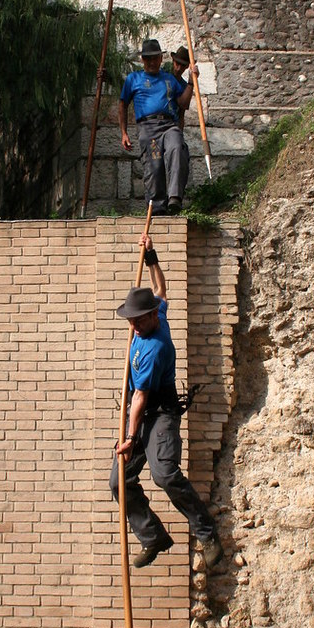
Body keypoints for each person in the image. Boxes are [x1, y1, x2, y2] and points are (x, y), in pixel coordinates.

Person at [109, 233, 224, 569]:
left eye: (137, 320)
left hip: (159, 412)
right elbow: (161, 289)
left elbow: (142, 397)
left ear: (152, 318)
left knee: (164, 474)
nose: (133, 325)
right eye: (130, 320)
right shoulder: (155, 310)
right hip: (138, 408)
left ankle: (206, 533)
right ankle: (153, 537)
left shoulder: (156, 346)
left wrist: (131, 439)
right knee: (119, 481)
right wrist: (151, 256)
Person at [119, 39, 198, 216]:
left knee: (177, 148)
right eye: (148, 59)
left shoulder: (169, 79)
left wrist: (192, 82)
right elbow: (123, 104)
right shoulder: (134, 79)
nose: (152, 62)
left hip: (170, 125)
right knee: (154, 166)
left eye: (155, 58)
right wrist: (124, 132)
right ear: (143, 61)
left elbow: (183, 104)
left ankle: (175, 198)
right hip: (148, 126)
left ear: (161, 59)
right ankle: (157, 208)